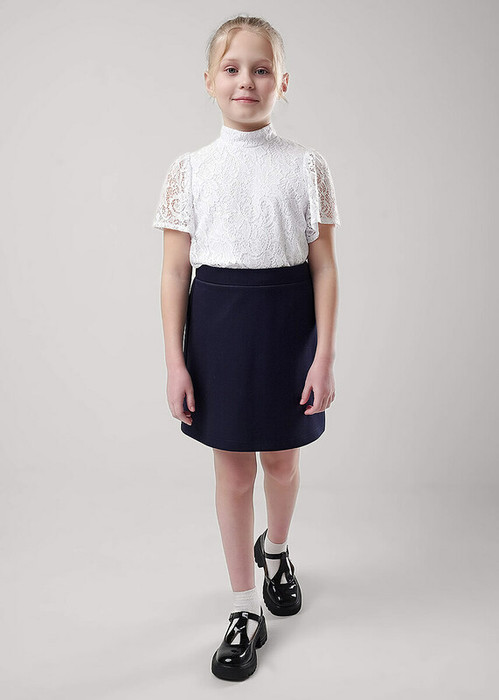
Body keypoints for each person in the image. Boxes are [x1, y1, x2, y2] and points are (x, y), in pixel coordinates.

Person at [152, 15, 342, 682]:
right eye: (232, 69)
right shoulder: (189, 171)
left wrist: (323, 355)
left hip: (287, 327)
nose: (246, 81)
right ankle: (242, 608)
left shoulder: (306, 166)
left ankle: (277, 551)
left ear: (282, 82)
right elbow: (175, 272)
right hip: (219, 330)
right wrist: (176, 360)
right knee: (233, 473)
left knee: (281, 463)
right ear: (208, 81)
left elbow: (323, 265)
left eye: (262, 70)